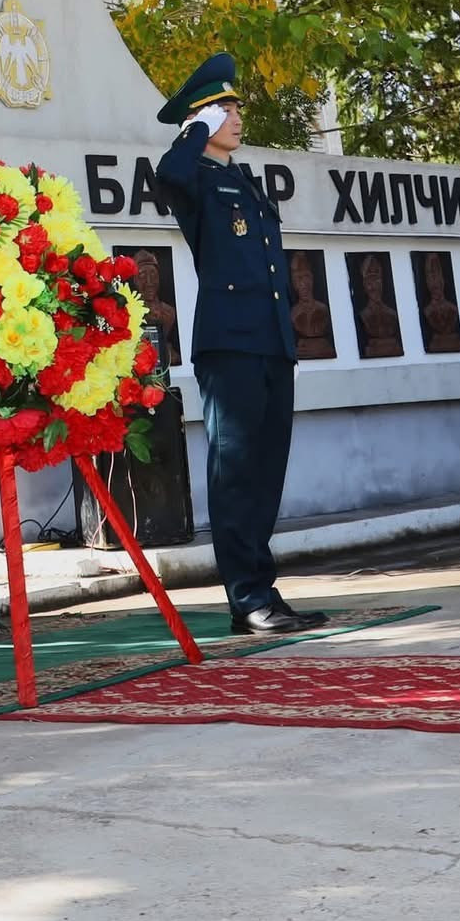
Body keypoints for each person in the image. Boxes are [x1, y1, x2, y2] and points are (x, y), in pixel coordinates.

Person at [155, 53, 327, 636]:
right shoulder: (196, 180)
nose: (235, 116)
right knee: (235, 471)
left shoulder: (241, 181)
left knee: (265, 471)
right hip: (229, 344)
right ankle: (246, 597)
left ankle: (263, 592)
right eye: (222, 109)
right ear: (198, 122)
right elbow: (168, 175)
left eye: (233, 107)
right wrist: (193, 132)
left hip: (271, 341)